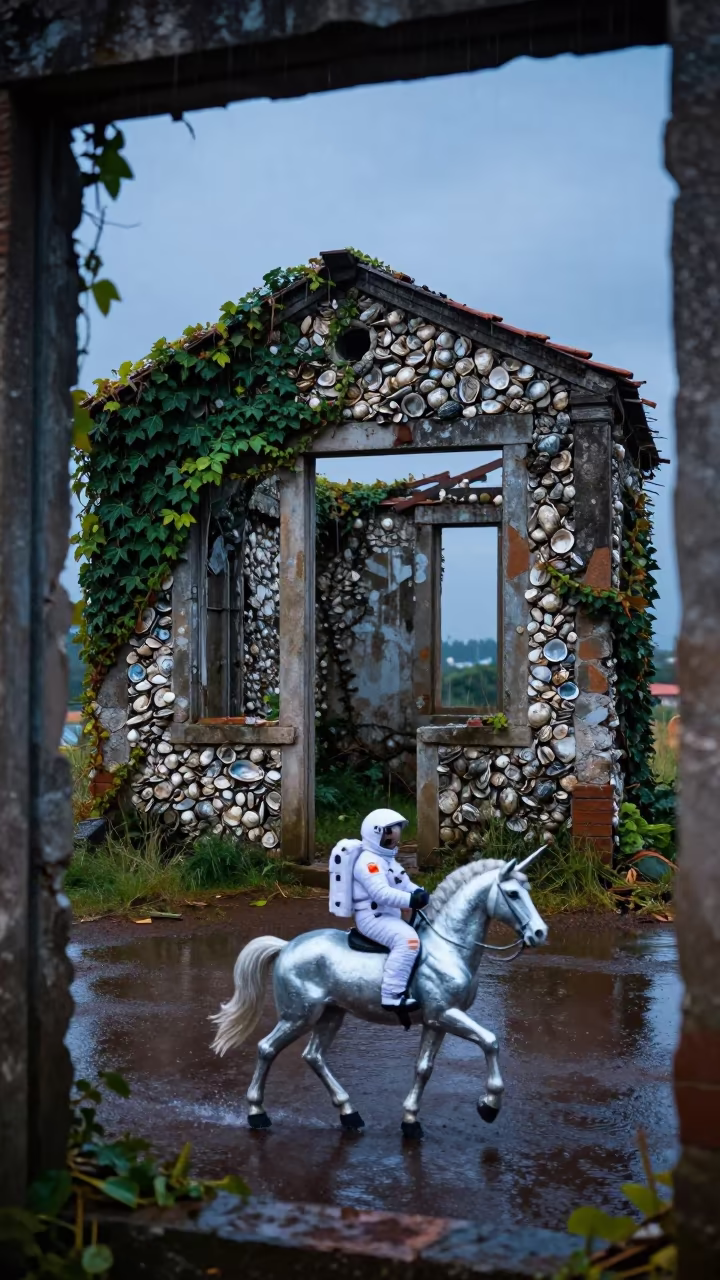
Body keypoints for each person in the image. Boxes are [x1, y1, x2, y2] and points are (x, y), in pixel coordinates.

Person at [351, 808, 430, 1013]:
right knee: (408, 941)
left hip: (388, 914)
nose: (395, 840)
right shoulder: (369, 862)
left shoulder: (387, 860)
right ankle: (392, 995)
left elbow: (403, 883)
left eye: (396, 835)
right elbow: (381, 893)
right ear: (377, 834)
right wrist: (412, 900)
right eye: (390, 836)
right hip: (372, 917)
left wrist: (420, 892)